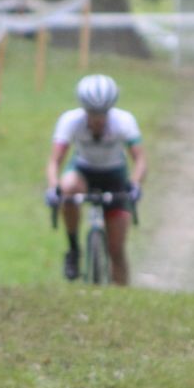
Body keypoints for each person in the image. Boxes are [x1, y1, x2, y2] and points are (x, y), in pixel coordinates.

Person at [43, 74, 147, 285]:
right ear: (84, 109)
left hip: (115, 175)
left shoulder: (124, 121)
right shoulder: (70, 121)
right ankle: (73, 249)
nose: (98, 118)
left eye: (103, 113)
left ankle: (122, 299)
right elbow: (55, 161)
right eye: (92, 113)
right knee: (68, 187)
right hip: (83, 170)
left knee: (116, 249)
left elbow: (140, 160)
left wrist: (135, 184)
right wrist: (54, 188)